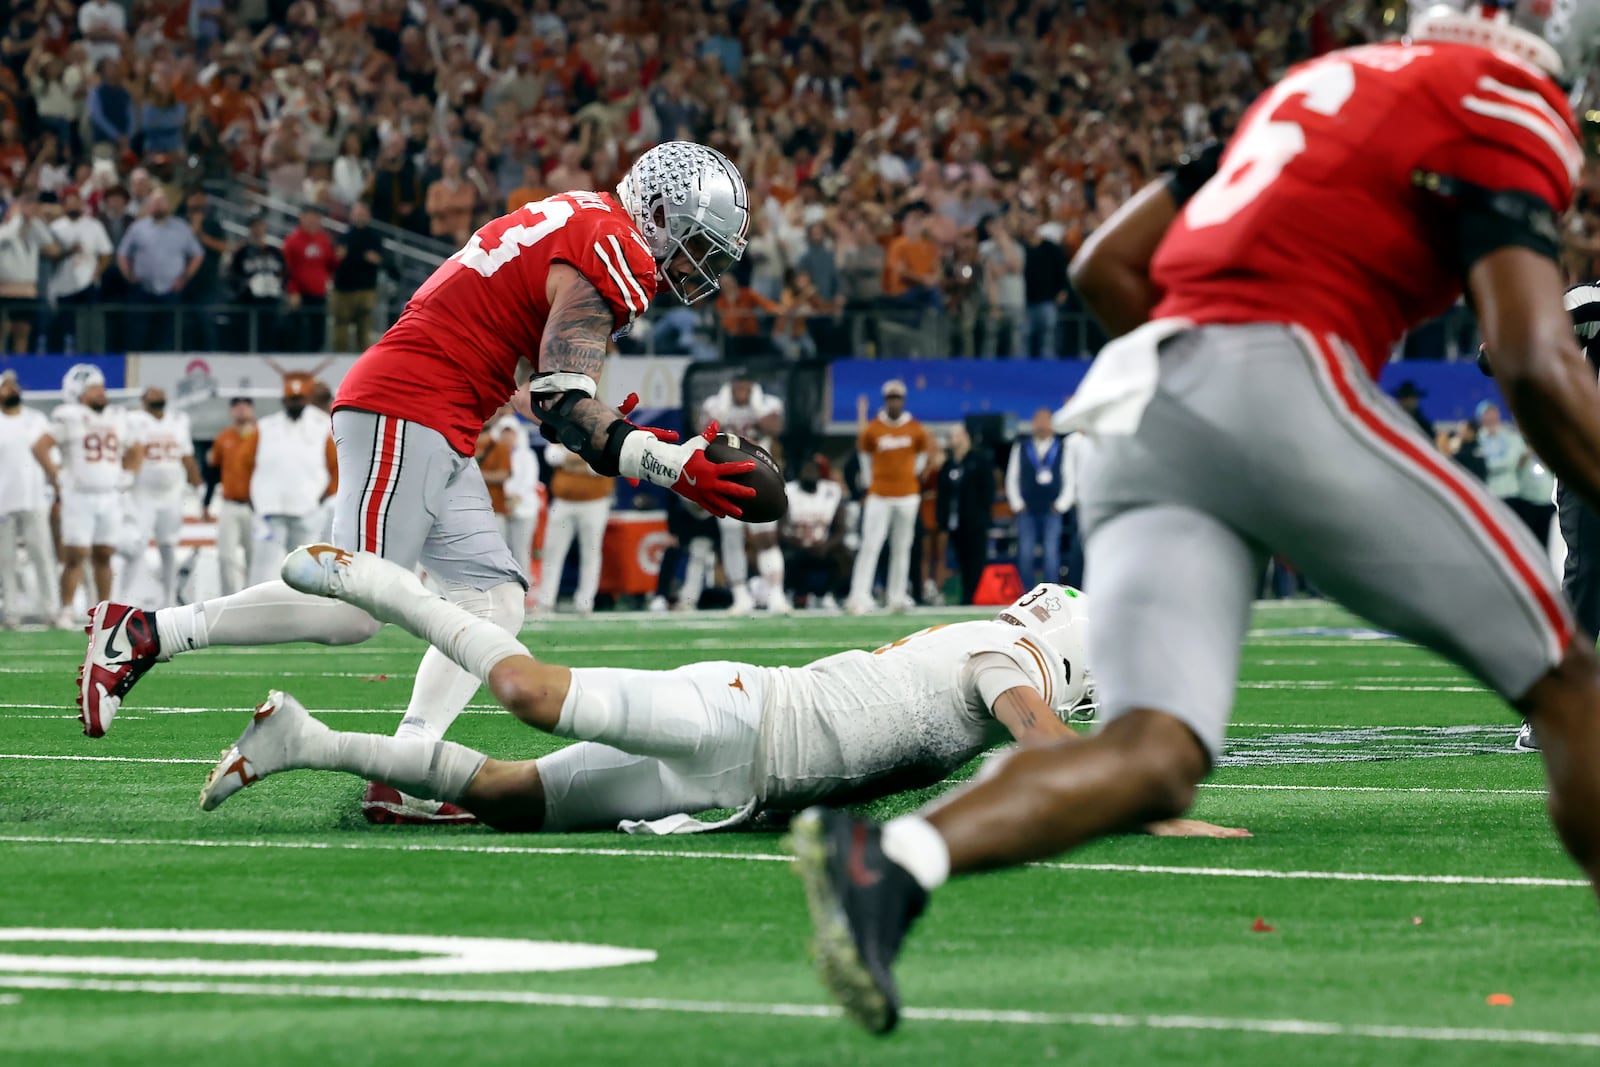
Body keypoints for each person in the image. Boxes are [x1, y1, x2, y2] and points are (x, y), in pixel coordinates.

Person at [790, 6, 1600, 1033]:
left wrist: (1207, 411)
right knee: (1568, 680)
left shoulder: (1319, 85)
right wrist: (1257, 411)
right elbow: (1533, 357)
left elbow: (1102, 267)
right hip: (1276, 369)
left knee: (1155, 751)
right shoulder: (1502, 99)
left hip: (1138, 398)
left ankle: (892, 858)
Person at [78, 136, 759, 841]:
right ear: (656, 213)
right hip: (411, 401)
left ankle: (407, 768)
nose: (697, 266)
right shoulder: (615, 246)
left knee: (491, 599)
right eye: (697, 244)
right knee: (355, 607)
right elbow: (562, 400)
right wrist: (668, 463)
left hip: (442, 410)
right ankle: (145, 632)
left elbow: (539, 392)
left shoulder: (580, 217)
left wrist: (638, 444)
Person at [202, 546, 1246, 846]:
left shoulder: (997, 647)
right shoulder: (1001, 652)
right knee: (522, 690)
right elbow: (1047, 743)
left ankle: (306, 737)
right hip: (745, 715)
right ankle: (382, 584)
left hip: (742, 780)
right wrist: (1156, 806)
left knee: (509, 795)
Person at [38, 364, 140, 629]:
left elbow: (137, 447)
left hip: (108, 495)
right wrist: (55, 475)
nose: (101, 393)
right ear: (79, 393)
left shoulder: (117, 416)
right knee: (76, 554)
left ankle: (104, 611)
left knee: (105, 553)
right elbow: (41, 446)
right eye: (94, 388)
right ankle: (66, 610)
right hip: (79, 495)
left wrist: (129, 474)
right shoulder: (69, 415)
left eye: (102, 388)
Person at [700, 374, 785, 614]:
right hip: (725, 475)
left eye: (745, 387)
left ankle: (775, 593)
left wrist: (756, 409)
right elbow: (703, 432)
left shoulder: (767, 403)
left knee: (767, 537)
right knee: (731, 537)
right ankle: (740, 595)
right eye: (737, 386)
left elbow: (774, 428)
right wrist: (722, 411)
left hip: (760, 475)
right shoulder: (715, 404)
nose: (740, 392)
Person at [244, 374, 339, 586]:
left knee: (306, 568)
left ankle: (304, 613)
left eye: (299, 399)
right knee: (263, 568)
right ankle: (258, 612)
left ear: (306, 399)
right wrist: (249, 496)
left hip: (307, 509)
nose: (295, 403)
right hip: (269, 510)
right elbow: (245, 463)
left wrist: (323, 497)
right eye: (291, 399)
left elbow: (335, 465)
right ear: (284, 400)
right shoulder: (266, 426)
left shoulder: (322, 426)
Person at [847, 381, 932, 613]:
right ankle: (859, 595)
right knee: (870, 544)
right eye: (890, 398)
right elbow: (864, 458)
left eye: (898, 398)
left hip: (907, 495)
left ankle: (897, 595)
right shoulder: (873, 429)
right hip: (880, 494)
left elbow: (923, 456)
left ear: (903, 400)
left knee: (902, 546)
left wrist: (910, 476)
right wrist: (869, 481)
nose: (894, 402)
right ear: (885, 400)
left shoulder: (915, 428)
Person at [122, 387, 200, 607]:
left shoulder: (178, 421)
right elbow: (132, 451)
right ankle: (126, 599)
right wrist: (127, 477)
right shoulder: (135, 420)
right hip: (142, 493)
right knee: (136, 547)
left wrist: (197, 485)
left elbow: (186, 455)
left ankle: (168, 599)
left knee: (168, 546)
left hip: (170, 493)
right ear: (144, 402)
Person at [0, 371, 60, 627]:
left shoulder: (37, 419)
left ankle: (52, 611)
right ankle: (12, 614)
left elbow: (52, 456)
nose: (12, 389)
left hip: (35, 498)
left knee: (43, 555)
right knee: (6, 560)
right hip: (3, 501)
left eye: (15, 385)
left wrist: (55, 485)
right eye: (6, 386)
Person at [116, 189, 202, 351]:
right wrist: (128, 275)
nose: (158, 205)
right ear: (149, 206)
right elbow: (122, 254)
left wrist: (184, 278)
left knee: (167, 336)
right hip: (142, 290)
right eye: (154, 202)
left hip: (171, 291)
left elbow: (197, 255)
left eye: (161, 201)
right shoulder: (138, 228)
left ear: (168, 205)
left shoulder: (181, 227)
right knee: (138, 334)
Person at [535, 442, 612, 617]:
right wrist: (585, 458)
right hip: (563, 501)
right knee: (552, 552)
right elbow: (552, 457)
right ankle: (545, 601)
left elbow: (601, 466)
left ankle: (585, 603)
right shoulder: (566, 430)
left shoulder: (599, 432)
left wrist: (570, 462)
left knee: (591, 553)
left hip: (595, 501)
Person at [1005, 409, 1075, 588]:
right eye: (1039, 422)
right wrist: (1017, 504)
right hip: (1027, 510)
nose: (1042, 426)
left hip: (1051, 510)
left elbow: (1069, 477)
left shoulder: (1062, 447)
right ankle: (1026, 596)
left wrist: (1061, 505)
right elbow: (1012, 477)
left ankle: (1051, 595)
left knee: (1052, 555)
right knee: (1025, 554)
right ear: (1033, 424)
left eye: (1046, 421)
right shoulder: (1022, 447)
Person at [46, 188, 113, 354]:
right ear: (63, 206)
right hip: (63, 283)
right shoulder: (55, 228)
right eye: (69, 202)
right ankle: (63, 357)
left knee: (91, 323)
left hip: (88, 281)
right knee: (64, 324)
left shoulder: (93, 225)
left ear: (82, 204)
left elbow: (106, 253)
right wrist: (69, 251)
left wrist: (96, 273)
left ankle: (94, 354)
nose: (73, 205)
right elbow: (50, 254)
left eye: (76, 201)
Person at [938, 425, 994, 605]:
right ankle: (966, 596)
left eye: (956, 436)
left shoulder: (979, 460)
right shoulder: (948, 465)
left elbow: (987, 490)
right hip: (955, 521)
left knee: (975, 560)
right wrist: (943, 520)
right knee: (961, 560)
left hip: (975, 521)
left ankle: (975, 596)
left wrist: (982, 514)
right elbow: (943, 494)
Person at [205, 398, 255, 597]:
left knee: (255, 557)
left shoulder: (261, 435)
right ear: (231, 410)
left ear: (251, 409)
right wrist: (206, 501)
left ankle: (253, 598)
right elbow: (213, 472)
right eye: (237, 406)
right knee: (226, 556)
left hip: (256, 506)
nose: (241, 410)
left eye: (245, 406)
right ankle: (228, 599)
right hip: (230, 502)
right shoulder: (224, 437)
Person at [782, 456, 846, 610]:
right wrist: (800, 544)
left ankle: (828, 595)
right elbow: (780, 530)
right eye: (807, 469)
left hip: (822, 546)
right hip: (796, 545)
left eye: (813, 469)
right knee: (787, 557)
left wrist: (826, 545)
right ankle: (795, 594)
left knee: (844, 556)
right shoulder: (788, 491)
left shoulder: (832, 491)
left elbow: (840, 528)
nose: (810, 473)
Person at [0, 195, 61, 354]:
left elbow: (49, 242)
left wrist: (34, 220)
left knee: (23, 331)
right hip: (5, 291)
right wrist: (18, 215)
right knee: (4, 331)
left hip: (27, 291)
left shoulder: (32, 232)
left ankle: (19, 365)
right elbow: (10, 233)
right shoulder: (4, 231)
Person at [330, 202, 384, 353]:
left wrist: (376, 259)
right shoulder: (343, 237)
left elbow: (382, 260)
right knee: (340, 331)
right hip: (344, 289)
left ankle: (364, 362)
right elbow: (335, 259)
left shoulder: (375, 238)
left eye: (363, 213)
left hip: (366, 289)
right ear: (351, 215)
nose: (360, 216)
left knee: (364, 331)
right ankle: (338, 361)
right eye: (357, 213)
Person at [281, 205, 334, 353]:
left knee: (318, 334)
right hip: (300, 295)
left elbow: (330, 264)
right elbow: (286, 269)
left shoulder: (324, 240)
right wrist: (292, 290)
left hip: (319, 294)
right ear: (301, 218)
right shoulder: (292, 241)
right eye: (309, 217)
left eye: (315, 217)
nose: (312, 221)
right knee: (300, 334)